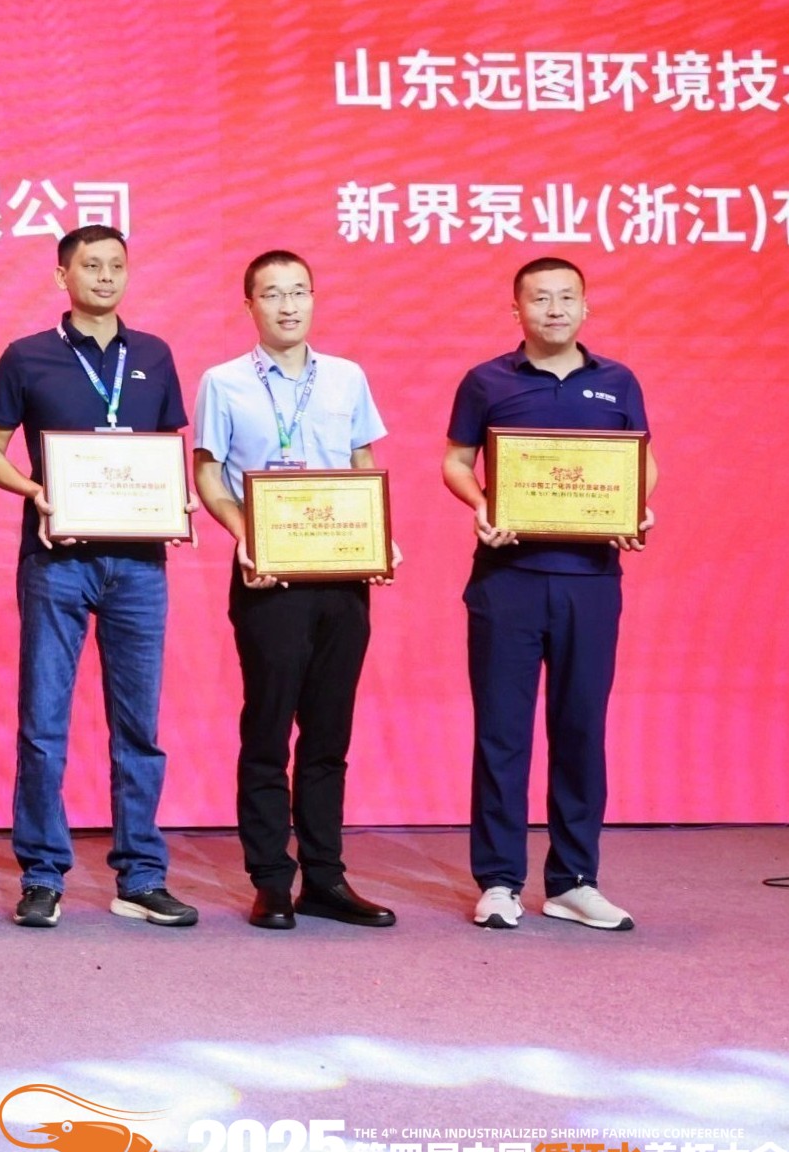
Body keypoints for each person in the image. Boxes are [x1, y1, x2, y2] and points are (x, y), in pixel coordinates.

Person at [0, 224, 198, 930]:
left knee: (140, 727)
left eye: (116, 265)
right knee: (44, 723)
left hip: (139, 563)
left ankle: (141, 876)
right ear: (61, 277)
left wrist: (176, 497)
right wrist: (33, 490)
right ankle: (42, 875)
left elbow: (166, 450)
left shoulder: (154, 354)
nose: (105, 276)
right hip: (57, 561)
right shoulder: (26, 356)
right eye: (91, 265)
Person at [442, 256, 655, 934]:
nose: (554, 309)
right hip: (506, 580)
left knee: (580, 731)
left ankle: (573, 881)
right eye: (539, 299)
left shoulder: (617, 381)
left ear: (586, 307)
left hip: (590, 582)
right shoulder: (486, 380)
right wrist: (481, 503)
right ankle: (499, 880)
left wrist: (633, 507)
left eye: (566, 297)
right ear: (517, 311)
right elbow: (455, 460)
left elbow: (642, 461)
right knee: (501, 734)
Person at [192, 251, 398, 933]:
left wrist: (378, 536)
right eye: (273, 294)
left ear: (314, 298)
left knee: (329, 733)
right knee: (268, 729)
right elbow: (209, 473)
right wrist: (243, 534)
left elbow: (362, 461)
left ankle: (326, 877)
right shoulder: (223, 381)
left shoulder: (346, 377)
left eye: (299, 292)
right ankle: (271, 880)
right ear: (248, 305)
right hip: (267, 576)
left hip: (342, 576)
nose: (288, 305)